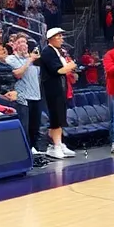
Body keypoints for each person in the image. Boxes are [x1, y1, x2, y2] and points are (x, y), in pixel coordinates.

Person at [38, 27, 77, 160]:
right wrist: (70, 66)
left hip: (61, 89)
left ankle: (59, 144)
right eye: (59, 36)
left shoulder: (59, 51)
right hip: (52, 90)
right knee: (55, 119)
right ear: (51, 38)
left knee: (60, 118)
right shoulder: (48, 52)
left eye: (62, 36)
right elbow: (58, 70)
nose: (62, 39)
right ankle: (55, 146)